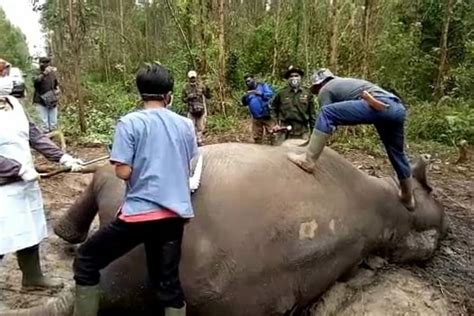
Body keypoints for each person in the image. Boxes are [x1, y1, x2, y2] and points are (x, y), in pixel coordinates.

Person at [72, 64, 198, 316]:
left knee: (86, 260)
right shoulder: (185, 124)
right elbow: (191, 162)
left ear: (140, 94)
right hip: (174, 217)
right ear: (168, 95)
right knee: (168, 285)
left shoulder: (129, 123)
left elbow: (123, 172)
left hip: (138, 215)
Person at [0, 77, 83, 303]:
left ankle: (32, 277)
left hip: (24, 182)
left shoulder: (13, 104)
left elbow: (34, 136)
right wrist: (16, 169)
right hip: (4, 183)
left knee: (28, 227)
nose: (8, 80)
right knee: (2, 233)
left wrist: (62, 157)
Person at [287, 68, 415, 210]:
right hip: (396, 108)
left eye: (315, 90)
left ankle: (308, 160)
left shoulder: (325, 89)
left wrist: (315, 140)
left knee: (326, 113)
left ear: (318, 85)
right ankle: (407, 197)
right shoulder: (345, 83)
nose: (317, 93)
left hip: (376, 104)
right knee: (397, 153)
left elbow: (327, 117)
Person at [271, 65, 315, 144]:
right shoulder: (281, 93)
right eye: (291, 76)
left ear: (300, 77)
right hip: (284, 129)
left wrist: (313, 133)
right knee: (279, 153)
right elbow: (273, 108)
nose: (294, 78)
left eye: (296, 76)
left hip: (302, 130)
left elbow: (312, 114)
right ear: (288, 79)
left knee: (302, 152)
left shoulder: (307, 93)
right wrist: (275, 123)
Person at [241, 74, 274, 144]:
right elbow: (245, 103)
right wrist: (244, 97)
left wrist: (259, 93)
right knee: (257, 138)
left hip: (266, 115)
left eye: (249, 81)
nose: (248, 83)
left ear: (253, 79)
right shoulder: (248, 91)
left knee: (272, 134)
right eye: (246, 82)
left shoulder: (262, 86)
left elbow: (270, 95)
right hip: (256, 118)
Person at [181, 70, 211, 146]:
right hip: (191, 110)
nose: (193, 79)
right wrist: (188, 97)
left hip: (200, 110)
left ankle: (199, 140)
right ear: (188, 78)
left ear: (196, 77)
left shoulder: (201, 86)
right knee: (191, 127)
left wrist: (208, 89)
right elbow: (183, 99)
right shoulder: (185, 88)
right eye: (191, 78)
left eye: (194, 77)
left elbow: (208, 96)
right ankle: (192, 142)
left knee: (200, 127)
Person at [33, 57, 60, 132]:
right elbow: (36, 82)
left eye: (47, 63)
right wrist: (44, 73)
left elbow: (56, 84)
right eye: (44, 63)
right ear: (40, 64)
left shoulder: (52, 73)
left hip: (51, 99)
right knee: (44, 123)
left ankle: (54, 139)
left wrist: (57, 90)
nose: (46, 65)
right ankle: (46, 138)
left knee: (53, 122)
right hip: (40, 100)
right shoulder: (36, 72)